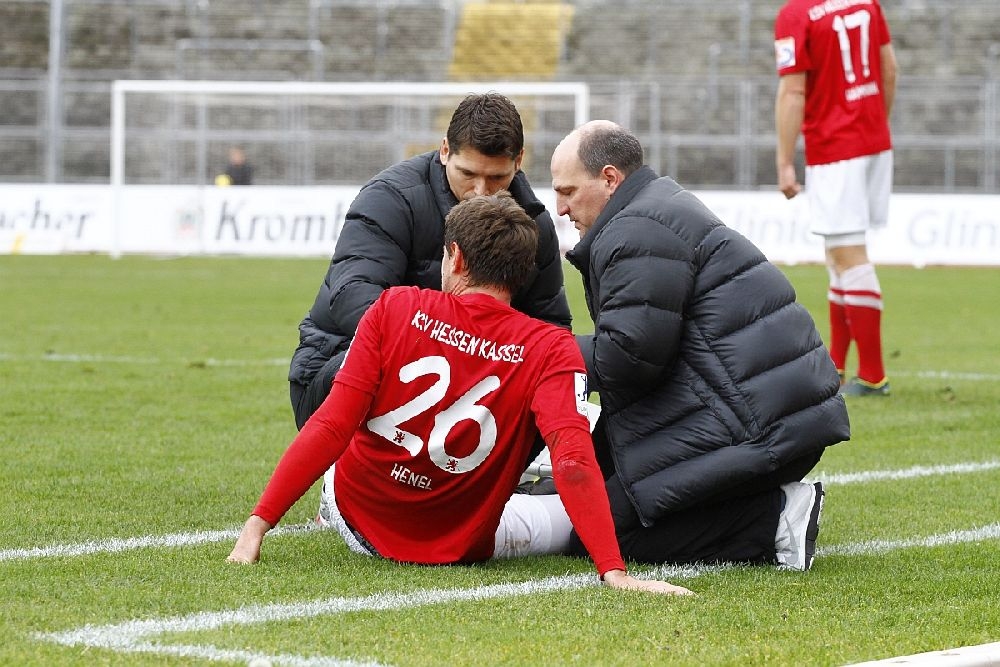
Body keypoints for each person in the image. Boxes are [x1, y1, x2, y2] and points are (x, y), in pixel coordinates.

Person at [228, 192, 692, 597]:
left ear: (456, 257)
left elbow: (332, 423)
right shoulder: (551, 346)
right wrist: (612, 570)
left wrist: (256, 527)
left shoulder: (395, 305)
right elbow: (573, 461)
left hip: (352, 512)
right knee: (575, 451)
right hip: (458, 543)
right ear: (523, 274)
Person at [549, 121, 851, 570]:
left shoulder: (635, 230)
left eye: (569, 192)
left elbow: (630, 357)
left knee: (599, 530)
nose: (560, 208)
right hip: (771, 415)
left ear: (610, 178)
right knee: (585, 491)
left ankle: (775, 520)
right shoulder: (652, 208)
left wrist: (542, 355)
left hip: (759, 428)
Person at [288, 92, 571, 430]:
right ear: (445, 150)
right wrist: (455, 348)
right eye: (467, 173)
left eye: (497, 178)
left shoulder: (532, 224)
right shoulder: (390, 199)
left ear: (518, 161)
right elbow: (352, 296)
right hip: (336, 362)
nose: (481, 191)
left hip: (463, 377)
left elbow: (551, 325)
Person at [774, 0, 897, 397]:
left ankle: (873, 376)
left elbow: (793, 92)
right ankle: (837, 365)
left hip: (836, 146)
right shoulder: (867, 3)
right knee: (837, 254)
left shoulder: (796, 14)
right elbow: (889, 69)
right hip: (872, 138)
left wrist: (784, 161)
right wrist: (875, 127)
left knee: (849, 255)